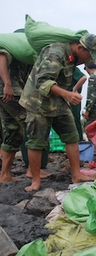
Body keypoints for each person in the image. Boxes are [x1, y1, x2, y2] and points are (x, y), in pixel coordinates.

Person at [19, 33, 96, 191]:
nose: (89, 60)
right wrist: (68, 94)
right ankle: (35, 180)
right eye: (89, 55)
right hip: (39, 101)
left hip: (58, 101)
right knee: (36, 142)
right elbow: (43, 81)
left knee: (72, 136)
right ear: (80, 47)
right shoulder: (55, 53)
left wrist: (67, 94)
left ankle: (76, 174)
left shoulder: (74, 57)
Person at [0, 35, 50, 184]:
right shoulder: (13, 49)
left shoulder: (27, 55)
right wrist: (7, 84)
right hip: (9, 91)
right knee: (33, 124)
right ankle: (32, 170)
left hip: (8, 94)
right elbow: (1, 57)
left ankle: (5, 175)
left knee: (13, 131)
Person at [83, 61, 96, 127]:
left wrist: (87, 110)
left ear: (86, 68)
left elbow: (92, 96)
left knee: (90, 128)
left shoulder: (92, 78)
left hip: (94, 111)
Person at [69, 67, 87, 141]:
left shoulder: (72, 68)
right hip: (65, 99)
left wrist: (74, 89)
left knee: (75, 121)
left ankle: (79, 142)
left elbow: (83, 77)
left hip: (73, 99)